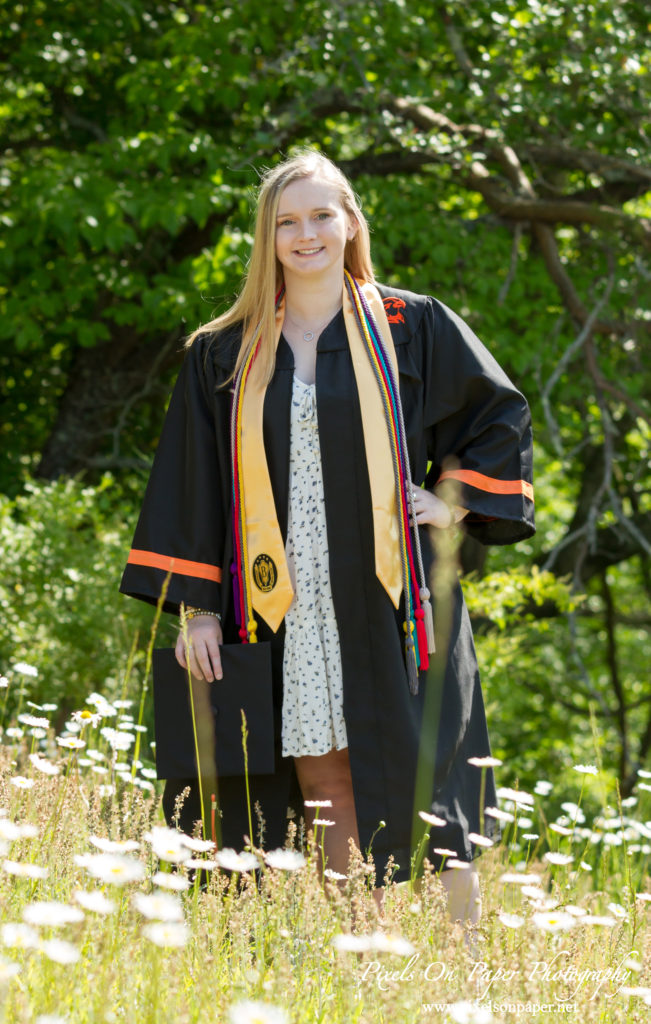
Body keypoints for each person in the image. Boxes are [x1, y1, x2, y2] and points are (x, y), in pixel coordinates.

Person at [119, 150, 535, 922]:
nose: (305, 234)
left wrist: (451, 503)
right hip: (280, 598)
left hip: (389, 591)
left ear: (349, 221)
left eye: (319, 215)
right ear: (267, 237)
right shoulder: (225, 350)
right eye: (286, 222)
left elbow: (499, 414)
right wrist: (198, 609)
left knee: (429, 777)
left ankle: (465, 969)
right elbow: (193, 483)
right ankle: (361, 952)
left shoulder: (413, 326)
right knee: (321, 775)